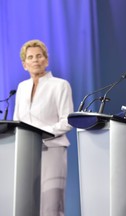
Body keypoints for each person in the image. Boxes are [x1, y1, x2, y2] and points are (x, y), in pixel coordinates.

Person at [13, 39, 74, 216]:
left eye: (39, 56)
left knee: (51, 204)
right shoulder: (22, 87)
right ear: (25, 64)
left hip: (52, 149)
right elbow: (17, 120)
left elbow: (67, 120)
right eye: (30, 57)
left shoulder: (60, 85)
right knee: (26, 201)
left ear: (46, 60)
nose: (35, 60)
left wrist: (43, 133)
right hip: (26, 152)